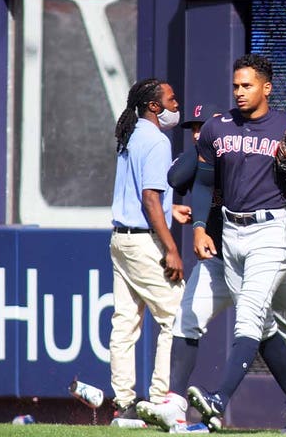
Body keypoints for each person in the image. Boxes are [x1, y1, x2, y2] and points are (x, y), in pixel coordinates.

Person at [137, 102, 286, 434]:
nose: (197, 131)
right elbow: (176, 177)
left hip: (259, 246)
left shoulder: (248, 151)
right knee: (188, 318)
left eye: (202, 125)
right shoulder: (211, 150)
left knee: (268, 327)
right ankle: (175, 402)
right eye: (192, 128)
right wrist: (203, 147)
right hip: (219, 254)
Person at [181, 54, 286, 433]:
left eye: (247, 85)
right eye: (236, 86)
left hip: (272, 233)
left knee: (250, 316)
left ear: (266, 88)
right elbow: (204, 183)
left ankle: (218, 400)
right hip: (233, 236)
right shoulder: (216, 128)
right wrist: (200, 226)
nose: (239, 92)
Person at [109, 78, 189, 420]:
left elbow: (142, 195)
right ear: (153, 106)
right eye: (171, 100)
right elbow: (150, 198)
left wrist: (172, 210)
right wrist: (171, 248)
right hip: (144, 241)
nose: (175, 105)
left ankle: (124, 403)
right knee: (177, 316)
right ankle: (160, 400)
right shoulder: (156, 140)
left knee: (125, 322)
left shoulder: (131, 135)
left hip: (120, 238)